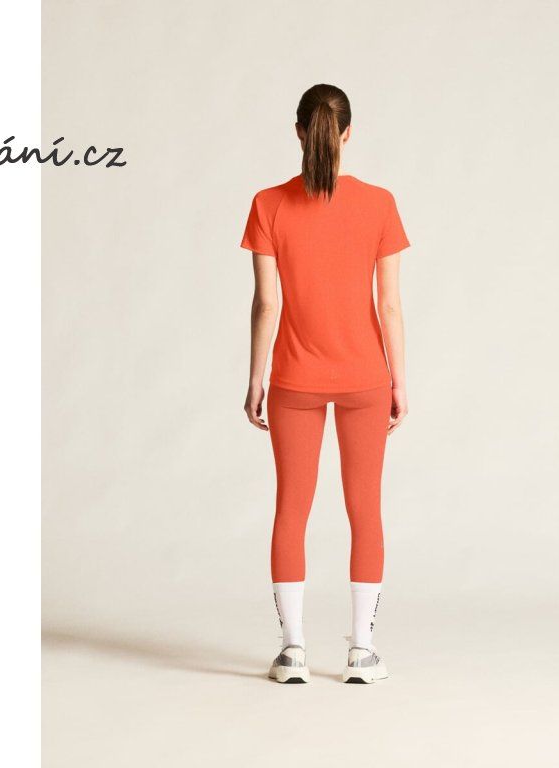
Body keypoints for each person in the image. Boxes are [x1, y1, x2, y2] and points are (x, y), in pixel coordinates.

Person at [240, 84, 409, 684]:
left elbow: (267, 303)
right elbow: (389, 305)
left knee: (292, 507)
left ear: (298, 132)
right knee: (366, 509)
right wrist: (399, 380)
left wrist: (256, 378)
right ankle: (362, 652)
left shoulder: (268, 204)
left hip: (294, 377)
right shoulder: (379, 203)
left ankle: (293, 653)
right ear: (348, 133)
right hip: (366, 376)